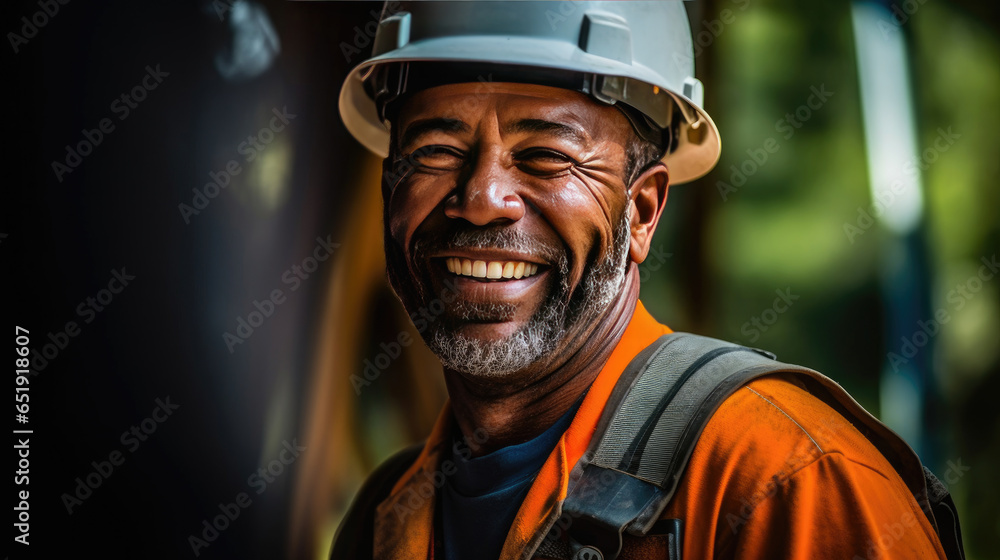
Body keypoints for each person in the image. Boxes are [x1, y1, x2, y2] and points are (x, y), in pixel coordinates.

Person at [331, 2, 954, 559]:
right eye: (436, 151)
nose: (481, 198)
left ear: (643, 212)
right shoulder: (381, 519)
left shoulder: (786, 479)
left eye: (546, 156)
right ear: (390, 187)